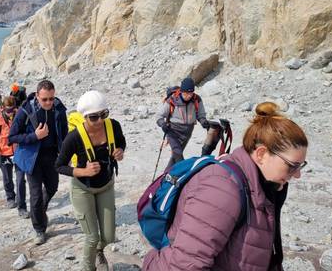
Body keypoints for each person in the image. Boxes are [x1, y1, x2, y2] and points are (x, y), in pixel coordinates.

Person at [143, 102, 308, 270]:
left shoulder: (263, 185)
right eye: (292, 166)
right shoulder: (221, 189)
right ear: (262, 154)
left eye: (301, 166)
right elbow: (186, 265)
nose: (297, 175)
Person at [56, 91, 126, 271]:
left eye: (104, 114)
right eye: (94, 117)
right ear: (85, 117)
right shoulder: (74, 137)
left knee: (109, 236)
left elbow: (121, 142)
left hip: (106, 186)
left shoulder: (113, 126)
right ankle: (88, 267)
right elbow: (59, 165)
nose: (100, 120)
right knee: (92, 237)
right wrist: (82, 171)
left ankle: (99, 252)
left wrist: (119, 150)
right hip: (82, 190)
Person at [8, 79, 68, 245]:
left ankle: (40, 212)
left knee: (52, 188)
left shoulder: (59, 109)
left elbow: (64, 132)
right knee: (35, 197)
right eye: (44, 99)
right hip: (32, 158)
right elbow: (11, 137)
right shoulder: (25, 110)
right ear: (37, 96)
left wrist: (66, 154)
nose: (48, 102)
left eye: (51, 98)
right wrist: (35, 136)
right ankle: (39, 229)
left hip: (52, 156)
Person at [156, 77, 209, 169]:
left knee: (175, 157)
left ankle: (166, 176)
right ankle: (184, 171)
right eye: (186, 93)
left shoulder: (196, 99)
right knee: (178, 154)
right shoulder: (172, 100)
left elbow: (200, 114)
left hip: (187, 132)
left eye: (191, 93)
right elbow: (159, 116)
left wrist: (203, 121)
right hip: (173, 131)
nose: (189, 96)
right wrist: (163, 124)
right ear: (181, 91)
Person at [0, 96, 29, 216]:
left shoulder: (20, 116)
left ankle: (22, 207)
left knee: (20, 179)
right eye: (8, 110)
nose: (10, 113)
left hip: (18, 152)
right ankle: (10, 197)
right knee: (7, 178)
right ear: (3, 107)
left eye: (12, 110)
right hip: (3, 152)